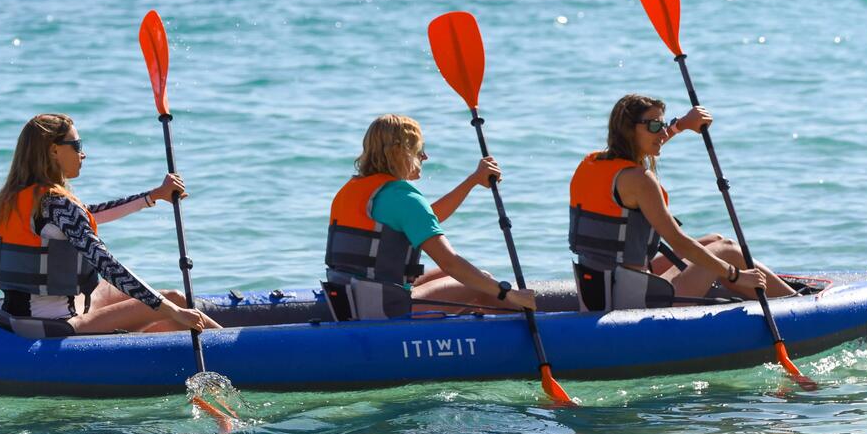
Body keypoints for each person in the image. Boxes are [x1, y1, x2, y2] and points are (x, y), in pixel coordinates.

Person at [0, 113, 220, 337]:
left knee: (148, 304)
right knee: (175, 300)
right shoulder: (57, 204)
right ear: (54, 150)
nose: (83, 154)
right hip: (54, 324)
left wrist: (155, 195)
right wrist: (174, 311)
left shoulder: (14, 199)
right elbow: (108, 266)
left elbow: (89, 214)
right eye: (77, 145)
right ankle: (241, 352)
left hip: (15, 317)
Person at [568, 93, 795, 312]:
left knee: (713, 240)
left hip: (601, 285)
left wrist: (682, 125)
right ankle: (797, 304)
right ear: (629, 130)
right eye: (655, 126)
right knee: (726, 251)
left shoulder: (592, 162)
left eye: (662, 125)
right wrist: (735, 274)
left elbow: (643, 147)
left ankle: (776, 295)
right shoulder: (640, 181)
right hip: (631, 301)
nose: (661, 133)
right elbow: (678, 242)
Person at [323, 114, 536, 319]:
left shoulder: (357, 190)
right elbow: (450, 262)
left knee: (464, 277)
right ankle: (522, 337)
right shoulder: (403, 198)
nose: (424, 157)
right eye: (419, 150)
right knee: (484, 286)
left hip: (352, 299)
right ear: (399, 152)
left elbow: (424, 220)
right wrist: (507, 293)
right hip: (383, 311)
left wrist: (472, 181)